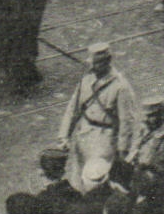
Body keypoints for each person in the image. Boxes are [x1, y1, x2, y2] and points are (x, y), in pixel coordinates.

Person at [56, 43, 141, 194]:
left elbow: (126, 121)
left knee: (97, 178)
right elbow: (73, 108)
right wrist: (64, 135)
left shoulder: (120, 86)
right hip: (83, 134)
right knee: (79, 175)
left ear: (107, 61)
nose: (93, 67)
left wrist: (122, 150)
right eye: (92, 63)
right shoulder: (87, 79)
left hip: (104, 139)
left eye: (97, 63)